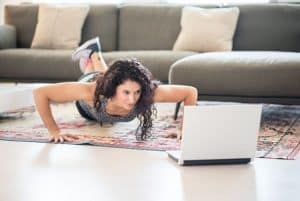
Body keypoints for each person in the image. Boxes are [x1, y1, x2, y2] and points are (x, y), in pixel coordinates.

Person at [33, 37, 198, 143]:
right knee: (98, 76)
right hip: (90, 96)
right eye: (126, 93)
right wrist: (54, 131)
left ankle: (94, 53)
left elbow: (190, 92)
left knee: (112, 76)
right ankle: (93, 57)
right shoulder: (90, 91)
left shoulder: (148, 93)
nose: (133, 100)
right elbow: (41, 93)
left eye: (137, 92)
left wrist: (184, 128)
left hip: (110, 81)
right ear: (113, 89)